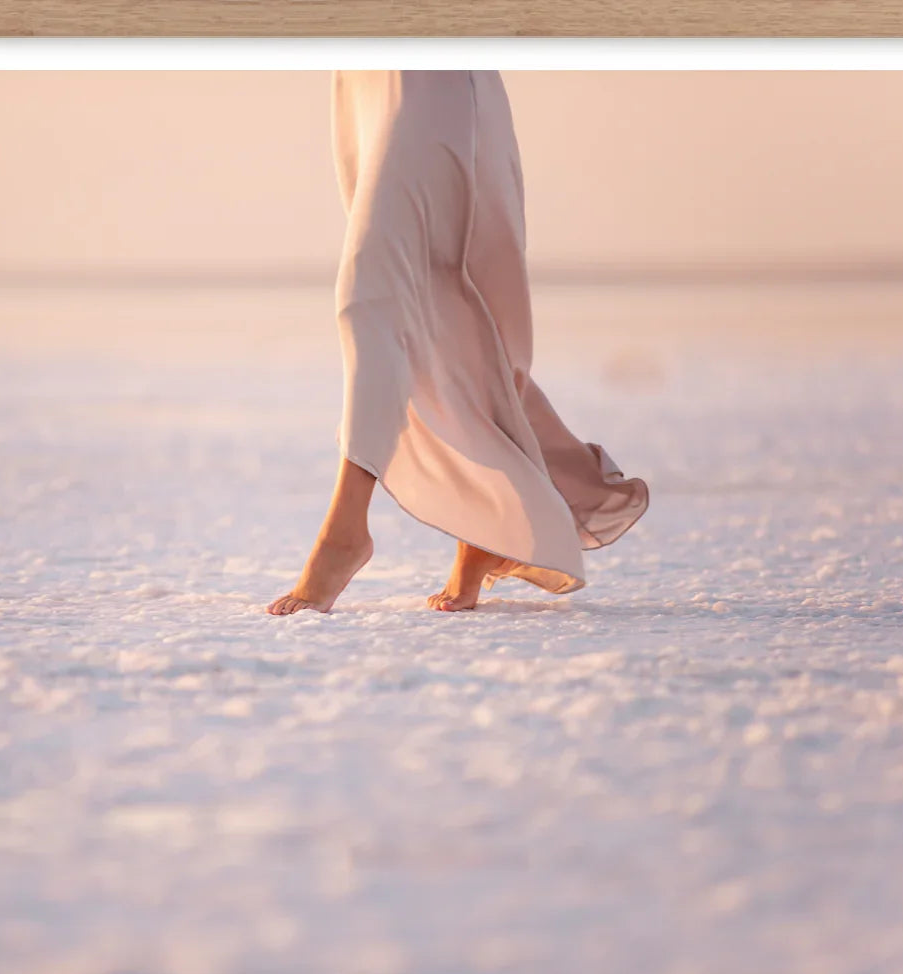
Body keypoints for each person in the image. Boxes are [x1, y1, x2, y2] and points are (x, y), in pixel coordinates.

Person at [267, 70, 649, 616]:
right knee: (467, 296)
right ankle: (489, 533)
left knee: (372, 294)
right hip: (365, 71)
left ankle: (344, 531)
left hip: (432, 65)